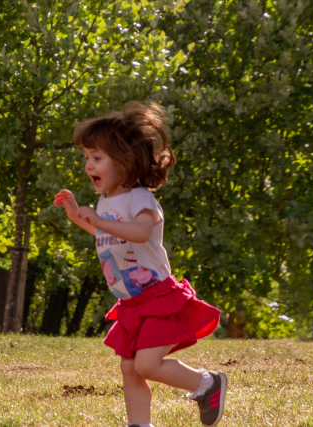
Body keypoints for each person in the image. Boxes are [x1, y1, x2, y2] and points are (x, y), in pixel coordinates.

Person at [53, 101, 227, 427]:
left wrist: (101, 222)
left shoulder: (140, 198)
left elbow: (139, 231)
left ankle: (207, 384)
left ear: (124, 161)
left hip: (157, 296)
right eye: (86, 158)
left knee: (147, 364)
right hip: (131, 301)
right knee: (130, 369)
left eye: (96, 157)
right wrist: (77, 214)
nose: (88, 165)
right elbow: (105, 235)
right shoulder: (107, 200)